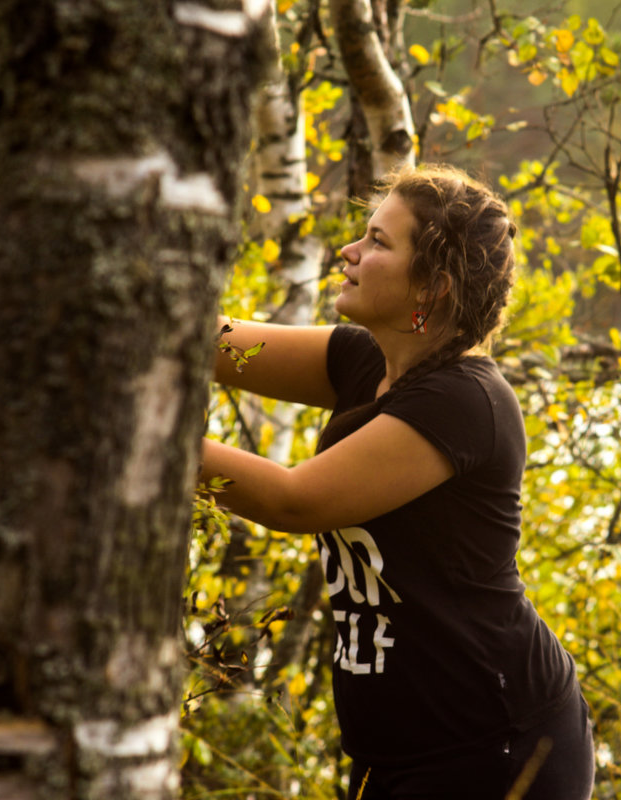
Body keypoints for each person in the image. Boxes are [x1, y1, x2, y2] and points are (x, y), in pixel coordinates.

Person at [200, 163, 595, 799]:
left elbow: (294, 499)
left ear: (433, 287)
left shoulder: (466, 399)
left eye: (379, 242)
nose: (350, 252)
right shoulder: (366, 360)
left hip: (496, 743)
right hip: (393, 750)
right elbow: (216, 345)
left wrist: (136, 438)